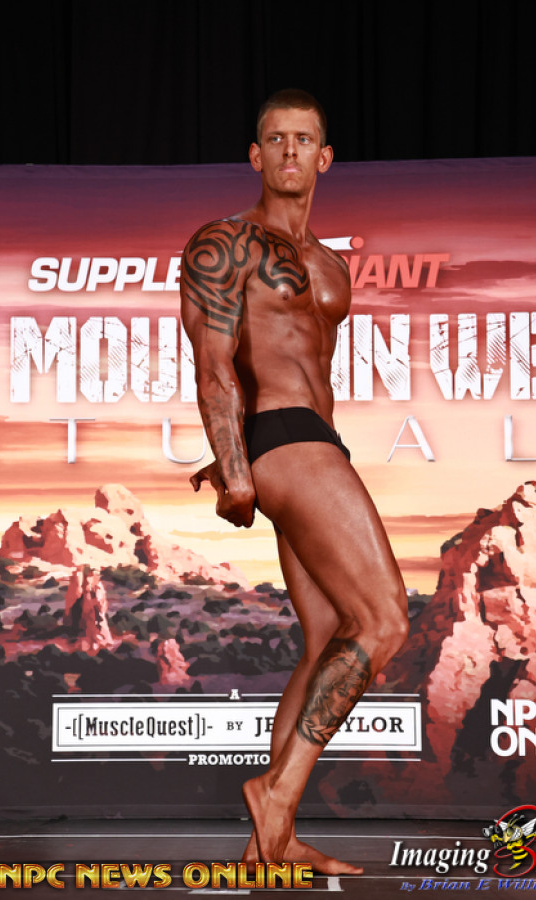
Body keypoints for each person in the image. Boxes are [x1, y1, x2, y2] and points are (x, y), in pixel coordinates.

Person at [180, 89, 409, 874]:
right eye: (274, 139)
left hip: (313, 442)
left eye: (302, 140)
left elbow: (314, 371)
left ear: (324, 157)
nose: (288, 151)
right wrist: (235, 469)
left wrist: (265, 456)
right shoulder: (223, 244)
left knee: (326, 639)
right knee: (384, 621)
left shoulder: (331, 266)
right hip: (285, 443)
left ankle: (270, 845)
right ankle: (275, 795)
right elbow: (214, 365)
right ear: (255, 155)